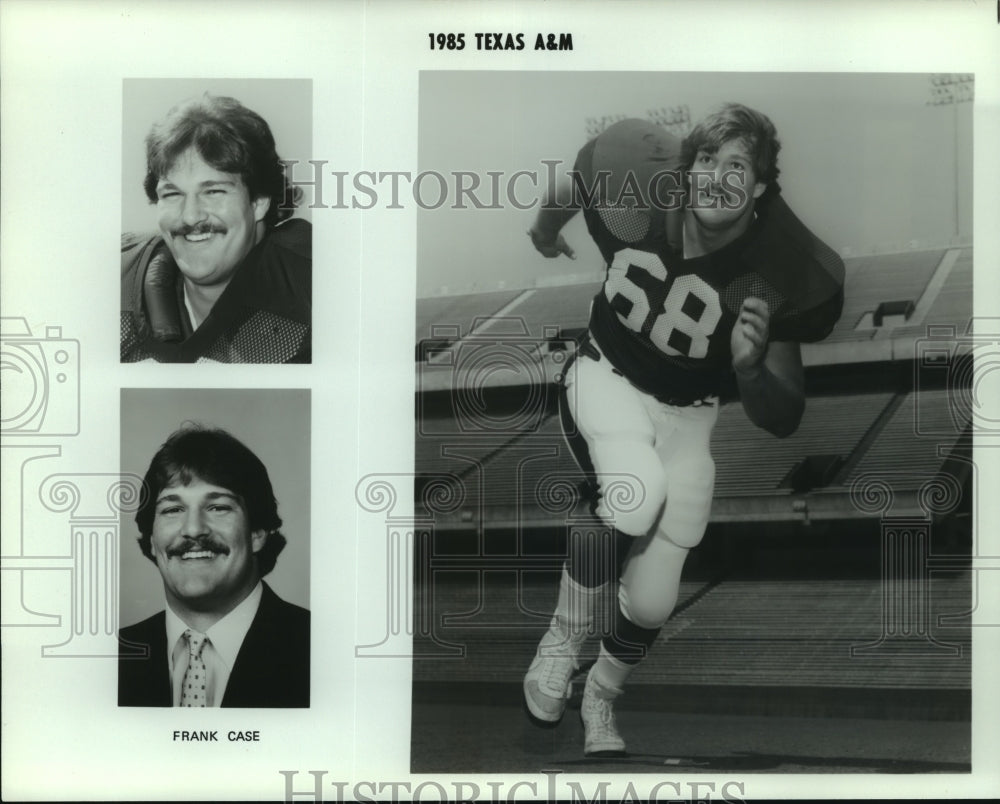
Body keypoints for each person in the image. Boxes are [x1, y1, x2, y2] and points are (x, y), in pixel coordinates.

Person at [523, 104, 844, 755]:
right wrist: (544, 228)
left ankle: (601, 700)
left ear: (759, 188)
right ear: (685, 168)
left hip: (689, 415)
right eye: (707, 158)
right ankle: (561, 640)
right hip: (607, 375)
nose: (717, 176)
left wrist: (751, 368)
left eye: (738, 166)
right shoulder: (641, 191)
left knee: (652, 601)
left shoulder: (766, 273)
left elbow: (783, 419)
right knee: (633, 494)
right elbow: (579, 182)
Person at [118, 426, 309, 707]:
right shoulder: (109, 658)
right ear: (151, 541)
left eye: (218, 507)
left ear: (257, 532)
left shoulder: (320, 650)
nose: (194, 530)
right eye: (172, 509)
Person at [121, 94, 311, 363]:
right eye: (172, 194)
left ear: (259, 201)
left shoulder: (315, 288)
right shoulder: (116, 282)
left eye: (213, 191)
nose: (190, 216)